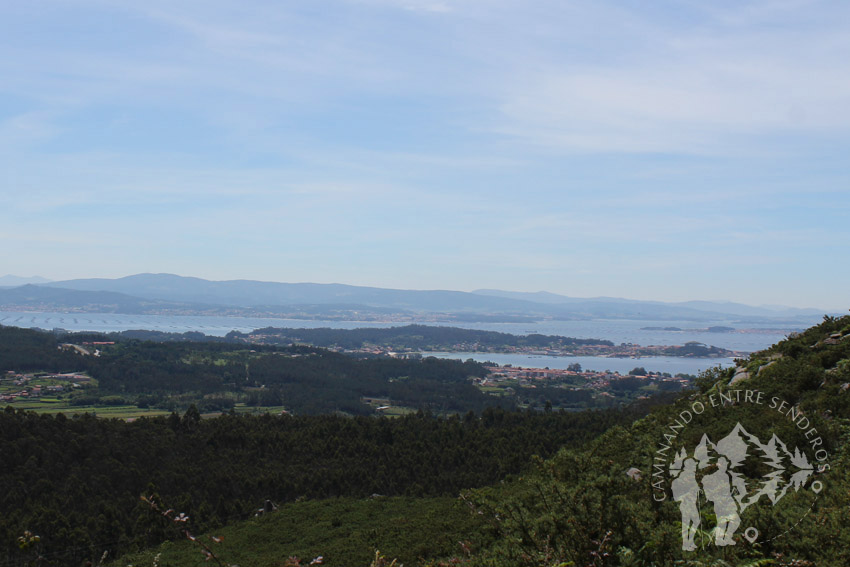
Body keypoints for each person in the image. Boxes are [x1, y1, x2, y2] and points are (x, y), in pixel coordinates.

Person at [701, 457, 741, 546]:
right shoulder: (715, 477)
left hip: (727, 500)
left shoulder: (725, 476)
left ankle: (726, 537)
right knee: (722, 522)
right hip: (721, 502)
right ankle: (719, 540)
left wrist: (731, 491)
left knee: (735, 520)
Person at [671, 457, 700, 551]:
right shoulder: (684, 477)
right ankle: (686, 544)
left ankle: (689, 541)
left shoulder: (691, 476)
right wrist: (687, 495)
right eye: (694, 465)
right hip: (686, 503)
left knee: (695, 521)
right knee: (687, 523)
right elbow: (679, 493)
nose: (695, 467)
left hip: (692, 503)